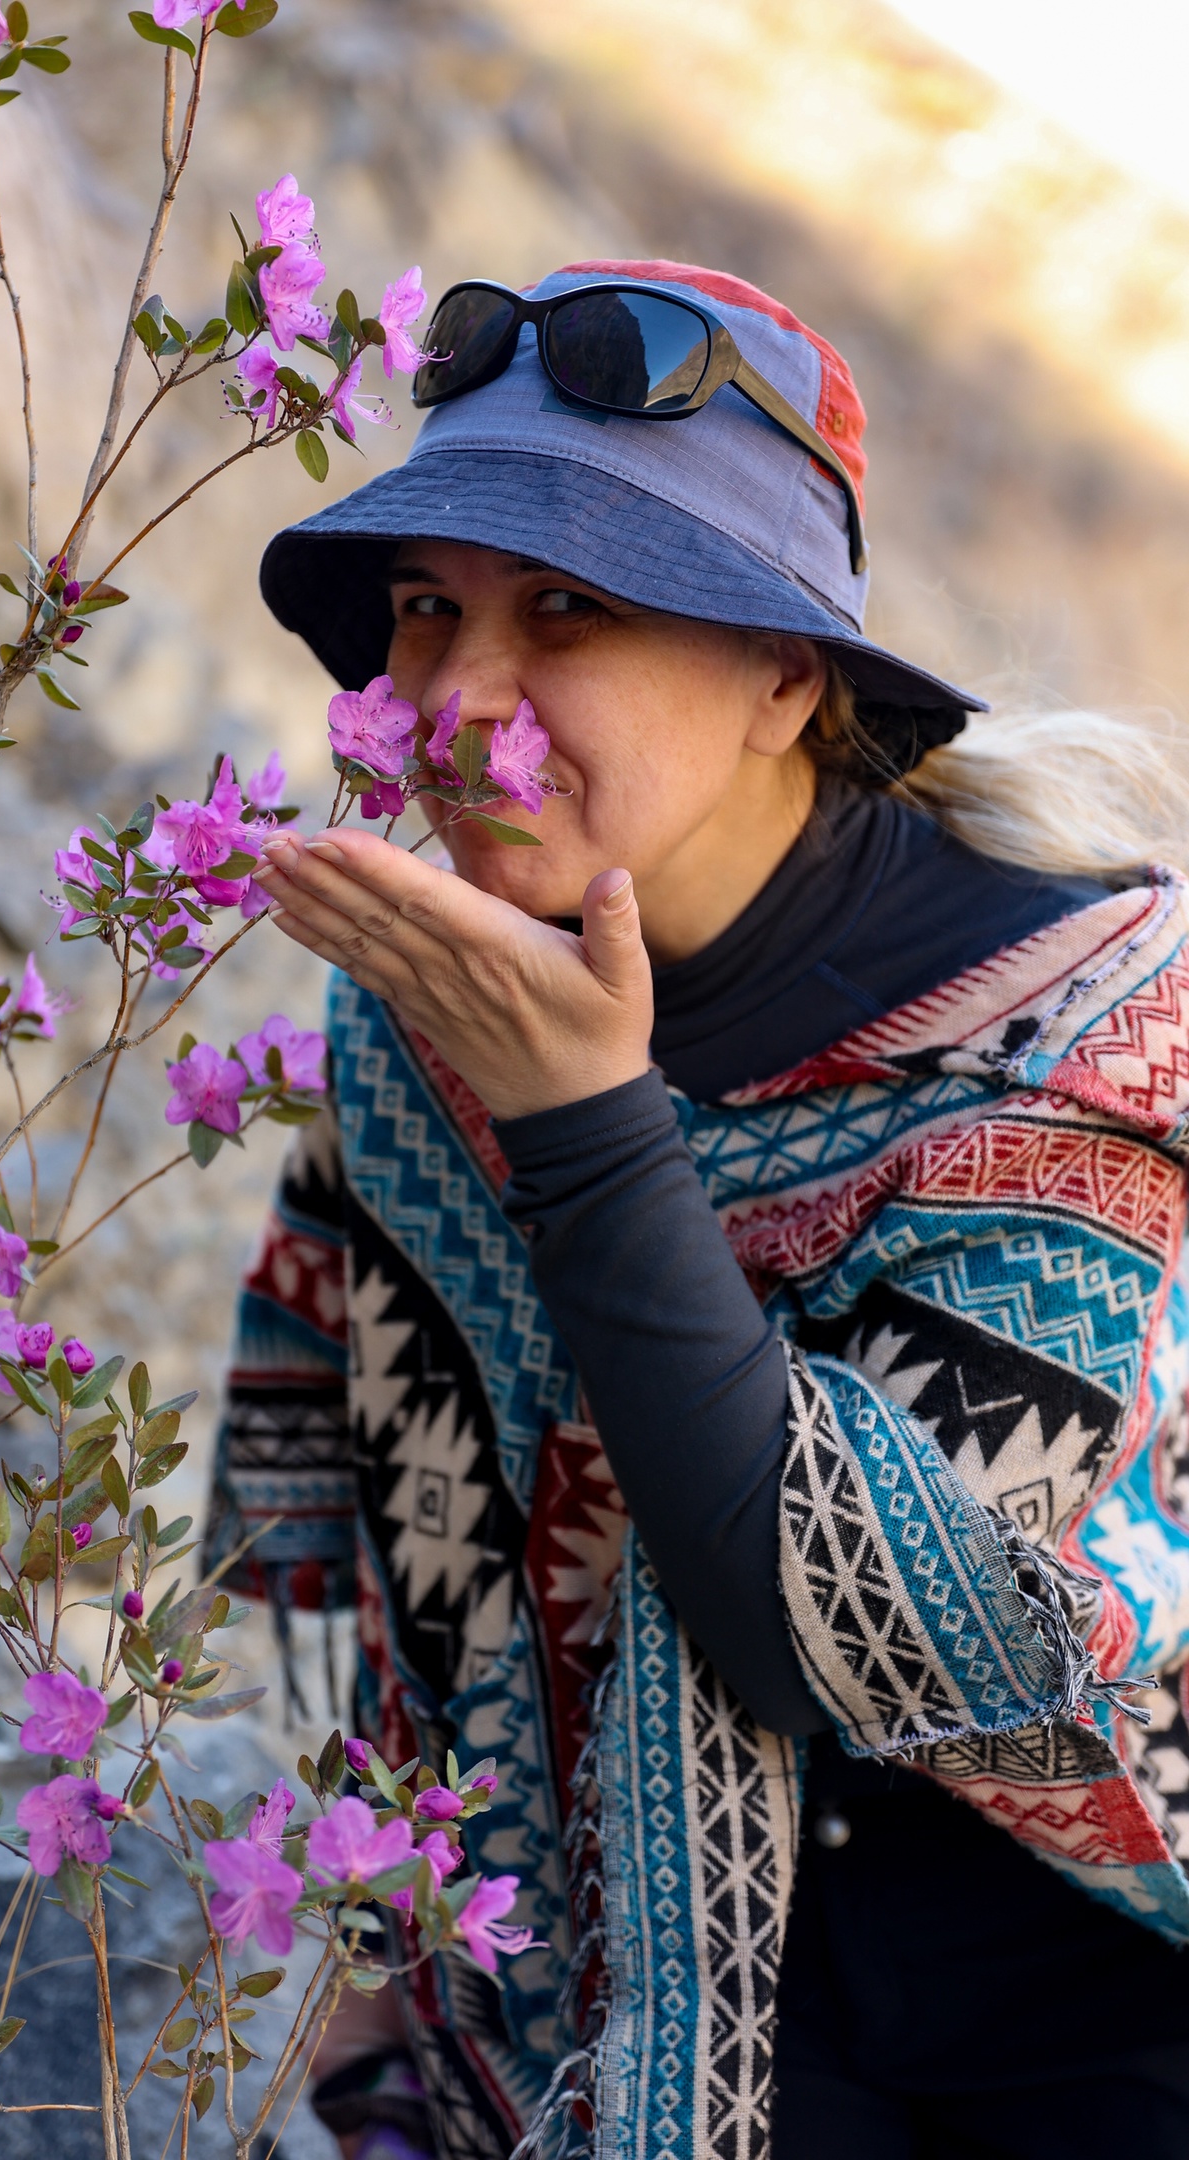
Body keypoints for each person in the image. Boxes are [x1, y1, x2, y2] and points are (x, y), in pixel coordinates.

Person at [207, 260, 1189, 2160]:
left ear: (783, 681)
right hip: (654, 1942)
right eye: (428, 607)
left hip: (1092, 1925)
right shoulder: (432, 998)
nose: (461, 696)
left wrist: (582, 1121)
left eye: (565, 608)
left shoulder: (1076, 1029)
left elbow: (865, 1639)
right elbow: (411, 1510)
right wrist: (376, 1983)